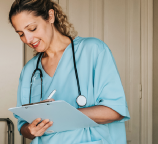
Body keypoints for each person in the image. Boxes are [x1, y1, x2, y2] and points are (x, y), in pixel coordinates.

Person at [9, 0, 130, 143]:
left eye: (32, 28)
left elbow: (115, 111)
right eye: (21, 34)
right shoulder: (30, 70)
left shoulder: (93, 50)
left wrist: (60, 114)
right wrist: (31, 130)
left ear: (50, 16)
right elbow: (24, 127)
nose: (28, 39)